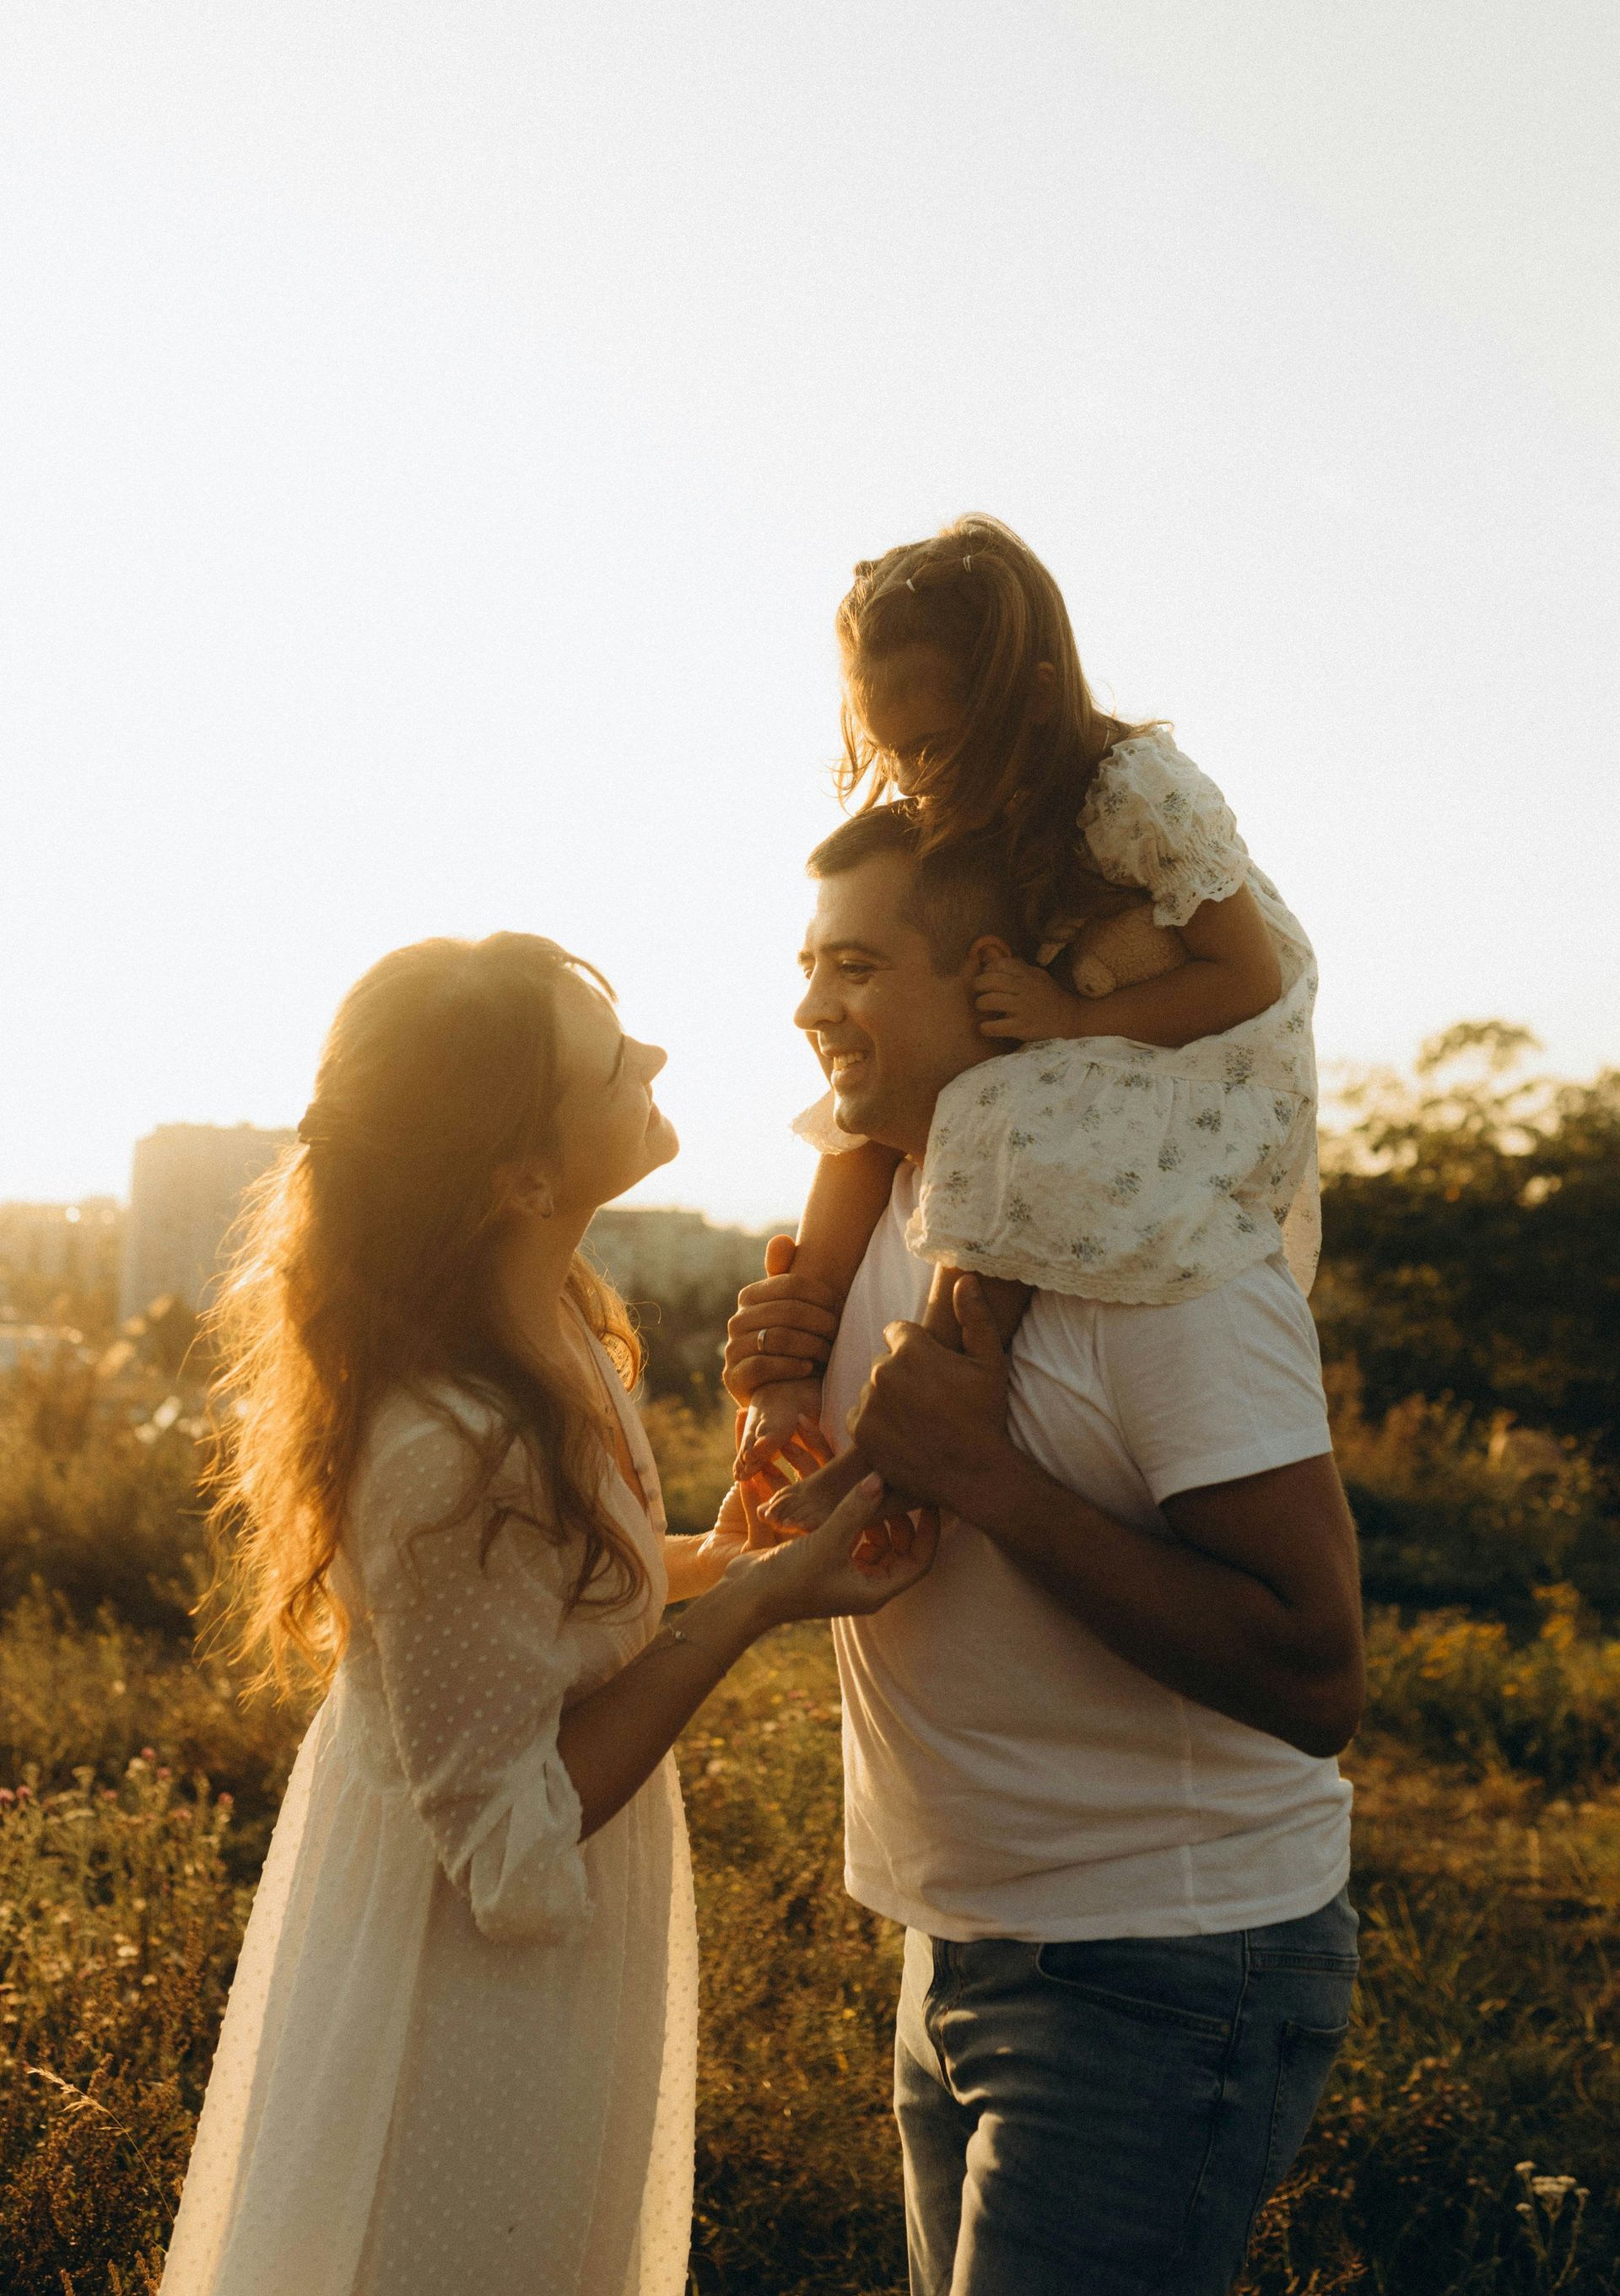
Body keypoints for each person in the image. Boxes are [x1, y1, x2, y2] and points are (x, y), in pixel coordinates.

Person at [158, 932, 936, 2296]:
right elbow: (510, 1834)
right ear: (520, 1172)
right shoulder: (446, 1444)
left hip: (550, 1947)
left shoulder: (556, 1328)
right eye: (609, 1058)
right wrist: (752, 1604)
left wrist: (706, 1552)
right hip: (453, 1996)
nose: (656, 1056)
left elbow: (545, 1615)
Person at [726, 811, 1364, 2296]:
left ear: (996, 978)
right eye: (809, 966)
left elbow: (1318, 1669)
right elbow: (836, 1530)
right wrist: (769, 1405)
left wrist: (991, 1481)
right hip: (948, 1939)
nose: (812, 1005)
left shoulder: (1161, 1258)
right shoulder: (878, 1206)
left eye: (857, 965)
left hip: (1163, 1961)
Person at [741, 514, 1320, 1532]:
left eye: (934, 747)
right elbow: (874, 1107)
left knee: (1004, 1116)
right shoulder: (985, 804)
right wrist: (797, 1330)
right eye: (893, 750)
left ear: (1035, 701)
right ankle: (816, 1349)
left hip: (1197, 1033)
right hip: (1081, 1004)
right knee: (889, 1094)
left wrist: (1069, 1015)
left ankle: (911, 1424)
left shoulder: (1142, 790)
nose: (917, 780)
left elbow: (1246, 979)